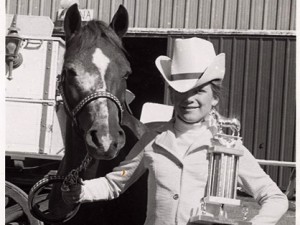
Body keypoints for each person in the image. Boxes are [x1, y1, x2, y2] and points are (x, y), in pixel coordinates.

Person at [62, 37, 288, 225]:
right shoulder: (152, 139)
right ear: (172, 95)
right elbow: (115, 183)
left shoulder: (228, 147)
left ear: (215, 98)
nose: (189, 99)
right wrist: (81, 191)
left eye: (199, 91)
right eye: (181, 91)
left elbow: (276, 198)